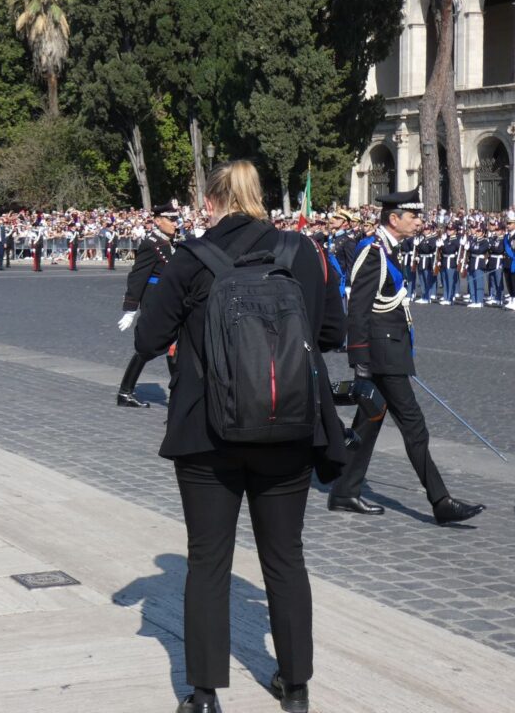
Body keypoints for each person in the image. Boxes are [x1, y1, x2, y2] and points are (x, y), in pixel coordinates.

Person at [135, 161, 346, 713]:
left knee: (207, 561)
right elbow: (332, 332)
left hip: (207, 432)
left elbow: (149, 336)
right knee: (285, 558)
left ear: (213, 201)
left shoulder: (191, 257)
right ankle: (295, 685)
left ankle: (204, 694)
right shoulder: (303, 252)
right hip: (289, 427)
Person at [327, 188, 485, 525]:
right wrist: (361, 361)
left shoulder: (387, 250)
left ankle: (344, 490)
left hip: (390, 350)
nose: (419, 221)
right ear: (394, 219)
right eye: (413, 216)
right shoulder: (373, 253)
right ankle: (440, 501)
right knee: (415, 426)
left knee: (368, 424)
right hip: (382, 357)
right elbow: (357, 309)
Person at [116, 202, 178, 407]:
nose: (175, 224)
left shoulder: (171, 241)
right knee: (149, 348)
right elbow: (137, 277)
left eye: (176, 219)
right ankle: (125, 393)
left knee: (173, 346)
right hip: (155, 302)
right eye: (171, 219)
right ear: (158, 221)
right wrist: (130, 309)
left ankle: (178, 392)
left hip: (169, 301)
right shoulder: (151, 244)